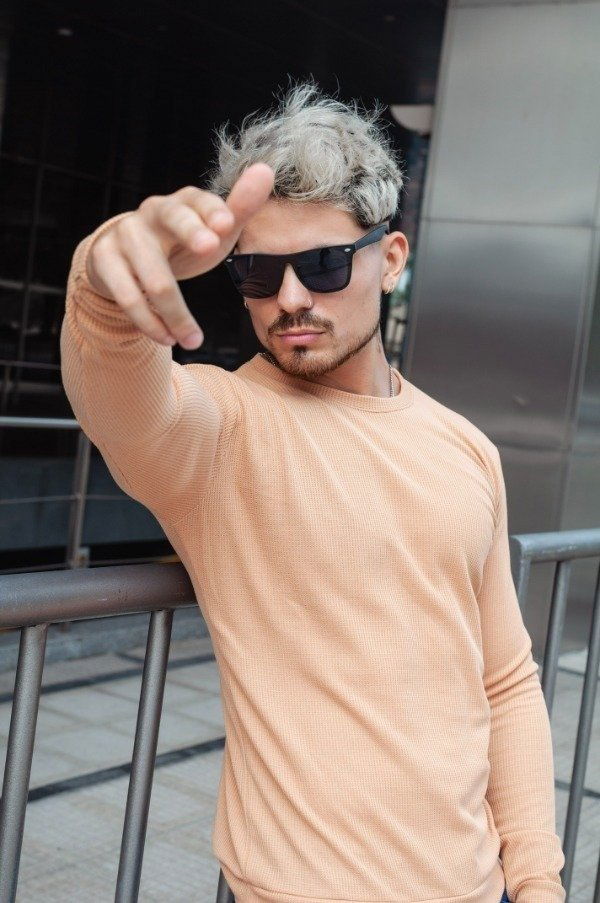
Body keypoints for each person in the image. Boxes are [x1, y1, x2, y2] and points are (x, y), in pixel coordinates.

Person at [60, 79, 565, 903]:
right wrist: (104, 282)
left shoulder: (467, 448)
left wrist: (538, 881)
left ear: (390, 260)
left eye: (324, 264)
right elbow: (118, 395)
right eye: (257, 273)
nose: (291, 298)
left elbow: (505, 682)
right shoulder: (223, 427)